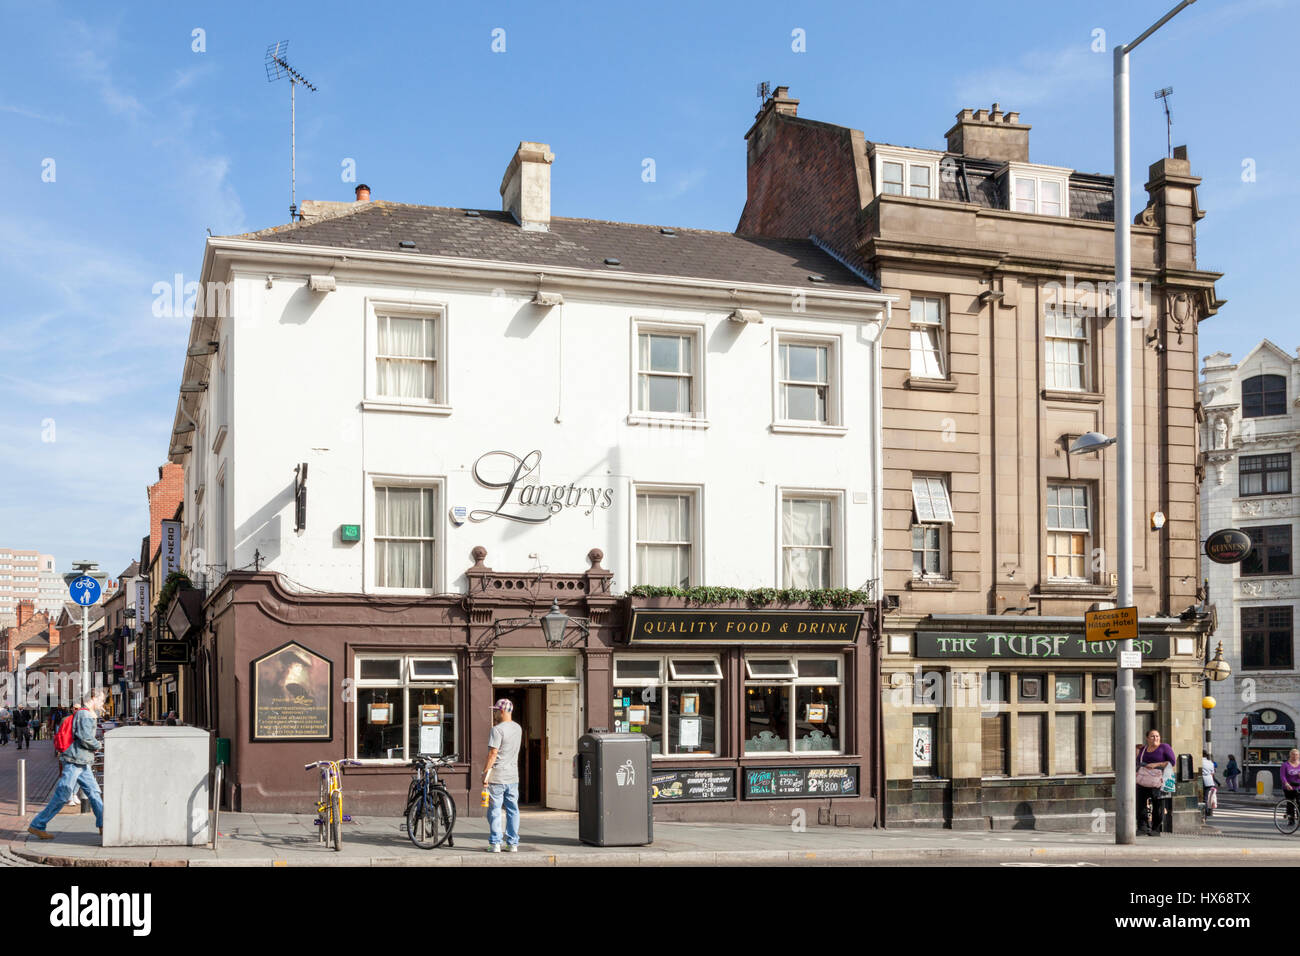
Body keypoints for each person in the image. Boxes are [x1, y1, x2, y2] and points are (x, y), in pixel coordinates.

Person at [27, 689, 106, 841]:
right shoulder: (85, 714)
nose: (102, 703)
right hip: (76, 760)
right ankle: (38, 824)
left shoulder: (84, 713)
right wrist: (99, 744)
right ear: (93, 698)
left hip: (80, 760)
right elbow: (85, 738)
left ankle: (103, 824)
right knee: (63, 794)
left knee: (94, 792)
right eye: (101, 700)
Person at [482, 698, 522, 853]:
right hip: (513, 776)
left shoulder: (497, 730)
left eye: (496, 710)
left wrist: (485, 773)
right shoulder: (518, 728)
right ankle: (512, 844)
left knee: (495, 811)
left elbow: (493, 753)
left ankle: (495, 843)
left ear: (502, 711)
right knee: (513, 810)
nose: (494, 713)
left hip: (497, 777)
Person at [1136, 728, 1176, 836]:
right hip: (1143, 781)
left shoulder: (1164, 747)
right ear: (1147, 738)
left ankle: (1155, 829)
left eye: (1157, 736)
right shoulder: (1144, 749)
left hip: (1158, 781)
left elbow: (1172, 762)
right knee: (1141, 805)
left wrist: (1156, 764)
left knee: (1158, 805)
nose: (1155, 738)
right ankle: (1142, 827)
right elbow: (1139, 761)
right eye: (1152, 736)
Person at [1281, 749, 1300, 826]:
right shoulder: (1285, 765)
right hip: (1289, 787)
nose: (1294, 756)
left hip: (1298, 786)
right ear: (1290, 755)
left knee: (1299, 803)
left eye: (1296, 754)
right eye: (1293, 754)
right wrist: (1286, 784)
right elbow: (1282, 776)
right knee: (1290, 803)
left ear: (1298, 756)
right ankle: (1291, 819)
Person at [1201, 751, 1219, 817]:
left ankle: (1205, 811)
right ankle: (1208, 811)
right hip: (1209, 781)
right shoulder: (1210, 762)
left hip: (1202, 780)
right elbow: (1212, 773)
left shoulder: (1200, 761)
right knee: (1208, 797)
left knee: (1203, 798)